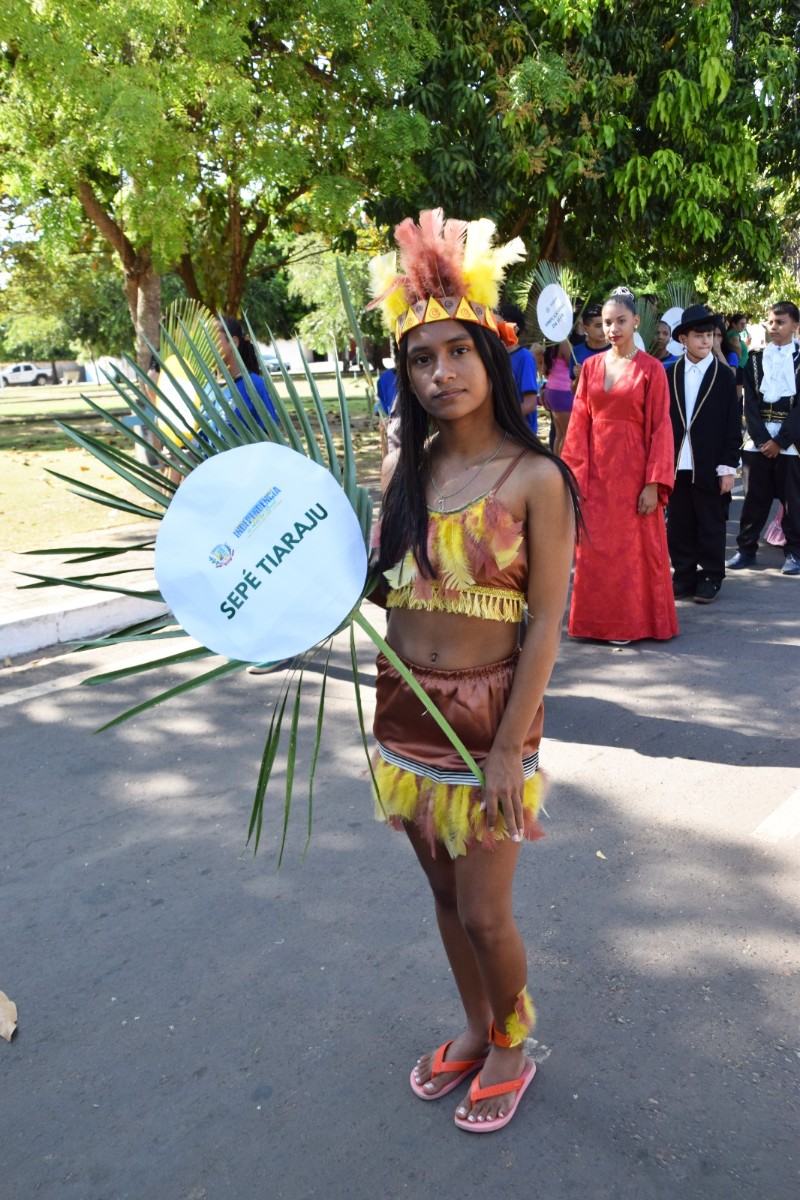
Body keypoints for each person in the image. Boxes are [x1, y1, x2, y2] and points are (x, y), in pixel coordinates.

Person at [367, 210, 579, 1132]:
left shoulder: (534, 477)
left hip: (489, 721)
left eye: (457, 352)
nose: (440, 373)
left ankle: (512, 1043)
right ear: (405, 374)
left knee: (488, 913)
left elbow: (543, 627)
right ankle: (472, 1021)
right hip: (405, 712)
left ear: (492, 359)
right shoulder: (404, 473)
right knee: (444, 898)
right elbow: (385, 596)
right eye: (422, 359)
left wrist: (508, 752)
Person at [562, 287, 678, 643]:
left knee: (631, 549)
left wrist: (653, 483)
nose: (613, 329)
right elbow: (579, 422)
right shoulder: (591, 367)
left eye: (621, 321)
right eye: (608, 322)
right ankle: (593, 622)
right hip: (595, 472)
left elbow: (661, 428)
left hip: (634, 473)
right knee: (594, 547)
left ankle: (629, 623)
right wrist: (572, 476)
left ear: (636, 322)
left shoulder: (652, 369)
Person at [665, 305, 740, 603]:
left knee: (711, 521)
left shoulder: (723, 375)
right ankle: (683, 574)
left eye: (710, 335)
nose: (706, 341)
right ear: (683, 339)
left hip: (709, 463)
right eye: (699, 336)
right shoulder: (669, 374)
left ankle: (710, 575)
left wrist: (727, 467)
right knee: (680, 520)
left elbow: (732, 423)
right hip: (677, 462)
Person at [727, 301, 800, 576]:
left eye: (780, 322)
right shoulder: (755, 359)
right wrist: (760, 440)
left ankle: (794, 553)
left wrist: (780, 441)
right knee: (754, 499)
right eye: (770, 322)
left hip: (790, 441)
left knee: (793, 501)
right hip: (758, 441)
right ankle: (746, 550)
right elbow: (750, 404)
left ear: (795, 326)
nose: (774, 327)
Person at [218, 316, 279, 433]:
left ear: (233, 342)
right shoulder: (206, 388)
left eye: (211, 338)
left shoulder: (256, 386)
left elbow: (270, 438)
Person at [497, 303, 539, 434]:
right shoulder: (494, 356)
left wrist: (502, 419)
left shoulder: (525, 357)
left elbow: (530, 404)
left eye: (498, 325)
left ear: (513, 328)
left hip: (521, 433)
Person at [541, 339, 574, 456]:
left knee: (559, 434)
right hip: (563, 392)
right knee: (567, 434)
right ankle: (564, 466)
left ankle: (558, 464)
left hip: (552, 390)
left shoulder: (550, 344)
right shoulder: (564, 343)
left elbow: (544, 371)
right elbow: (573, 364)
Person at [570, 303, 609, 390]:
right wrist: (578, 378)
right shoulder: (576, 352)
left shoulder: (617, 349)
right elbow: (573, 391)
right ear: (585, 328)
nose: (603, 330)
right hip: (586, 403)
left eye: (606, 324)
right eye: (598, 326)